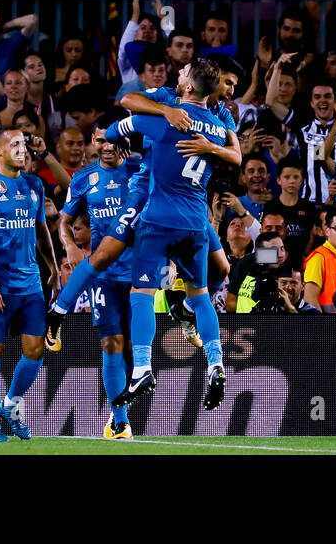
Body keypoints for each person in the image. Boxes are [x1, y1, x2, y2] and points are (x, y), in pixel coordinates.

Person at [104, 59, 241, 411]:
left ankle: (144, 369)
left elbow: (117, 129)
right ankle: (216, 364)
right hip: (197, 222)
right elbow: (234, 153)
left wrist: (110, 134)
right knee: (200, 296)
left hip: (159, 220)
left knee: (142, 293)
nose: (177, 75)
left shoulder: (167, 120)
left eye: (182, 74)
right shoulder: (216, 126)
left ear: (190, 87)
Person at [0, 128, 56, 442]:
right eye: (14, 145)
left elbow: (42, 229)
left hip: (30, 284)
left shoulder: (34, 185)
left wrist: (54, 269)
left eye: (23, 144)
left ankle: (11, 405)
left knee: (34, 350)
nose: (22, 149)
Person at [49, 121, 137, 439]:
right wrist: (70, 244)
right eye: (102, 140)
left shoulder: (141, 167)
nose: (108, 145)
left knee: (138, 346)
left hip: (141, 271)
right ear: (93, 143)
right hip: (104, 274)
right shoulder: (84, 178)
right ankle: (119, 420)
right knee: (111, 343)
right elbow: (65, 220)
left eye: (114, 140)